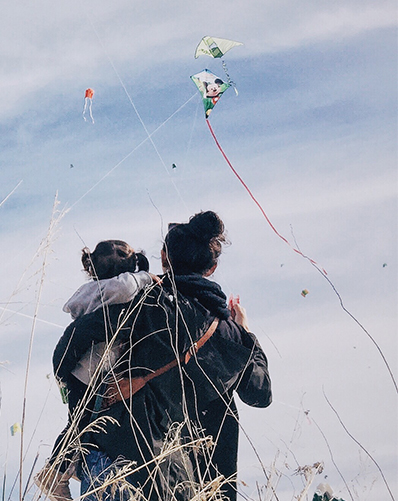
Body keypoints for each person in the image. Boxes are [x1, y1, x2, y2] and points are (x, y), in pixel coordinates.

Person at [53, 211, 271, 501]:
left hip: (123, 467)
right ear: (212, 267)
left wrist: (69, 384)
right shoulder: (231, 333)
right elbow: (260, 394)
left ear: (163, 257)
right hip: (203, 485)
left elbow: (73, 340)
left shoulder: (147, 306)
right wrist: (246, 334)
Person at [36, 241, 157, 501]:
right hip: (89, 375)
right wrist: (145, 277)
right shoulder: (115, 291)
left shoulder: (89, 292)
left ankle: (67, 466)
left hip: (82, 373)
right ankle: (55, 472)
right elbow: (124, 287)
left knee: (80, 422)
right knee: (81, 423)